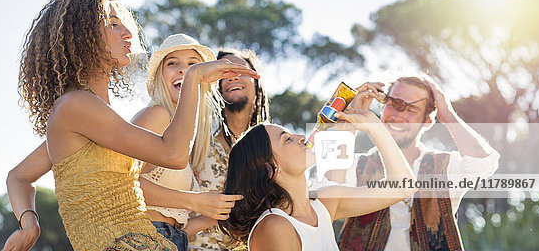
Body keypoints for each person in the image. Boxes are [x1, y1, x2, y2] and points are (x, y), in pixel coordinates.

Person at [1, 0, 259, 251]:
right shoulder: (74, 105)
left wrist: (28, 223)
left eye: (124, 23)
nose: (128, 33)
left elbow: (19, 177)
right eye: (113, 24)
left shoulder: (94, 117)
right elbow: (173, 154)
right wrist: (193, 77)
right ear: (82, 36)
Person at [337, 76, 500, 251]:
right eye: (393, 104)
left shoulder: (445, 168)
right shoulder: (358, 166)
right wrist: (350, 120)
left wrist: (448, 115)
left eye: (412, 109)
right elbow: (326, 190)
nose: (398, 116)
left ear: (428, 120)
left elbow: (483, 163)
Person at [218, 110, 418, 251]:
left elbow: (403, 186)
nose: (300, 137)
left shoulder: (323, 203)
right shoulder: (275, 227)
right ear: (270, 169)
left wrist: (375, 128)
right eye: (286, 139)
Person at [134, 33, 243, 250]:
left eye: (192, 65)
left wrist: (216, 213)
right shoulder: (157, 115)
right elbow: (123, 184)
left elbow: (174, 228)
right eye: (173, 63)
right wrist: (195, 201)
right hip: (144, 238)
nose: (183, 70)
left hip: (168, 240)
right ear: (160, 76)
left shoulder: (182, 132)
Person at [189, 49, 270, 250]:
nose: (233, 76)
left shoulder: (274, 150)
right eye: (225, 72)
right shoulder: (196, 141)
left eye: (241, 70)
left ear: (257, 83)